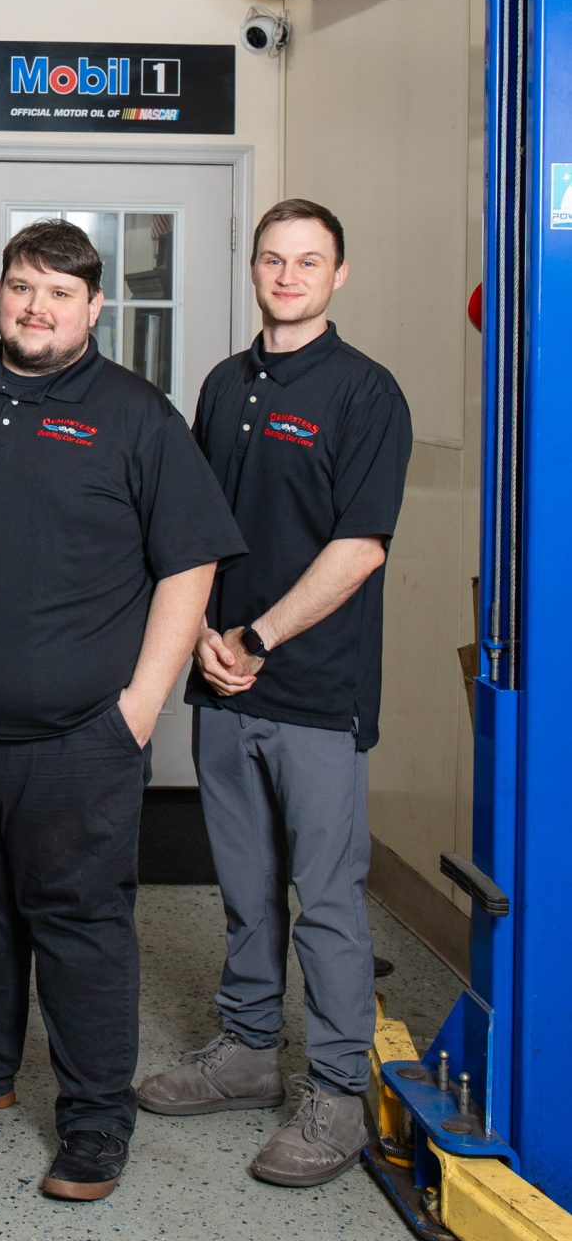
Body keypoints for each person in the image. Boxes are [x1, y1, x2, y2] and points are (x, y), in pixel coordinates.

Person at [0, 219, 243, 1203]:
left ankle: (94, 1116)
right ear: (1, 292)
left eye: (60, 293)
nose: (36, 308)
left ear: (94, 306)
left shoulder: (135, 415)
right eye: (22, 287)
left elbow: (191, 563)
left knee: (80, 924)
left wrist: (140, 706)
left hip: (76, 739)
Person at [138, 198, 412, 1188]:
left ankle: (336, 1093)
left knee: (326, 900)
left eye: (307, 261)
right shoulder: (224, 385)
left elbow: (360, 546)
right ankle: (249, 1052)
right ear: (252, 268)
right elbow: (196, 527)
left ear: (338, 275)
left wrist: (257, 637)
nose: (288, 276)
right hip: (223, 682)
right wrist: (203, 643)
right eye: (272, 259)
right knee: (245, 889)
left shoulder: (365, 392)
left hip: (315, 694)